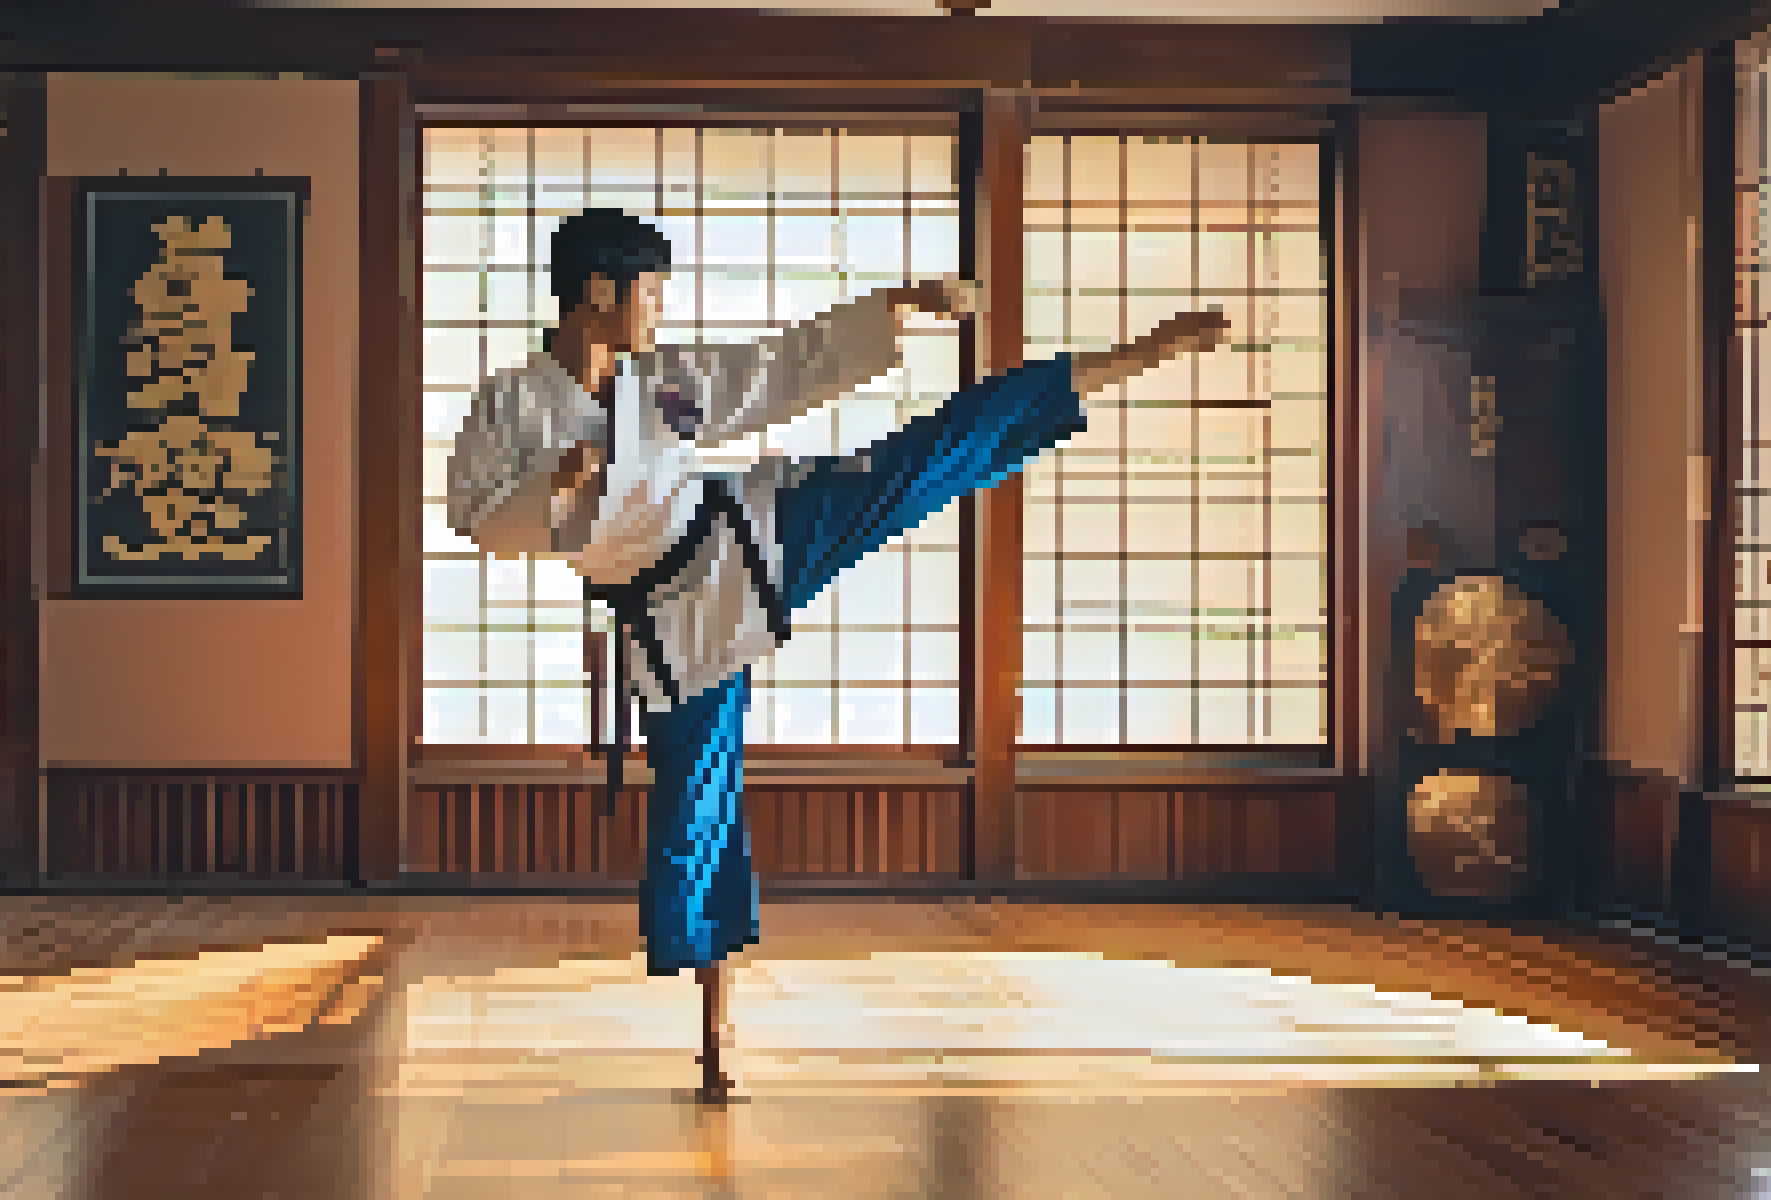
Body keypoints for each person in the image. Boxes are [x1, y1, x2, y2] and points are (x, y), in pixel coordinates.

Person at [445, 207, 1230, 1103]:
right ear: (600, 290)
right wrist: (555, 486)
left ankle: (1127, 360)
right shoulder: (513, 400)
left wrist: (898, 304)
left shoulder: (661, 384)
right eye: (651, 293)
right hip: (676, 623)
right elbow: (474, 516)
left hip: (748, 531)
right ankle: (714, 1037)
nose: (657, 313)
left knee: (918, 461)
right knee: (698, 814)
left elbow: (779, 369)